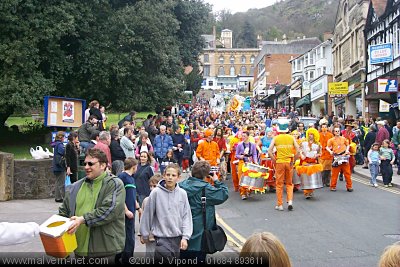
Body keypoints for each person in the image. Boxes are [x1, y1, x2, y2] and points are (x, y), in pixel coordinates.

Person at [58, 148, 126, 260]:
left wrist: (82, 219)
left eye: (91, 163)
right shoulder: (75, 187)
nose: (86, 167)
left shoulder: (114, 184)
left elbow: (109, 211)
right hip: (78, 249)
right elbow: (63, 213)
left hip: (104, 250)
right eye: (84, 163)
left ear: (103, 165)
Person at [139, 164, 193, 263]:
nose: (170, 178)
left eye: (173, 175)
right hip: (161, 239)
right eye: (168, 175)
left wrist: (185, 237)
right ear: (164, 175)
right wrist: (144, 234)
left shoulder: (182, 194)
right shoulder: (156, 193)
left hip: (177, 238)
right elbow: (148, 215)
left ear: (178, 177)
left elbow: (186, 216)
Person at [179, 160, 229, 262]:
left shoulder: (181, 186)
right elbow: (224, 194)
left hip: (182, 232)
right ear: (206, 175)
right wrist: (216, 180)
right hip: (200, 235)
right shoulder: (206, 189)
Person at [268, 121, 299, 211]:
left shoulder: (276, 138)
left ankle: (280, 204)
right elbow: (298, 150)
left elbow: (270, 151)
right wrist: (294, 160)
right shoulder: (291, 138)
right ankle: (290, 201)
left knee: (279, 184)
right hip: (289, 161)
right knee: (289, 183)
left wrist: (275, 160)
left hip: (280, 162)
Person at [115, 158, 141, 264]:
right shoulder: (122, 177)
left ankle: (129, 257)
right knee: (126, 237)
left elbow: (132, 194)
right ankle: (123, 258)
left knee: (131, 236)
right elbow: (119, 195)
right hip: (125, 214)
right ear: (134, 167)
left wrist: (137, 207)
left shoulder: (132, 178)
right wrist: (126, 210)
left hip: (132, 212)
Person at [140, 174, 162, 257]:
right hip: (150, 236)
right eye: (151, 186)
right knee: (150, 255)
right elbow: (143, 218)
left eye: (155, 186)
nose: (152, 188)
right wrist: (141, 234)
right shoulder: (146, 200)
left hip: (163, 235)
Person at [326, 127, 353, 192]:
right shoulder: (331, 140)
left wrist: (347, 150)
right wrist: (330, 151)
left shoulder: (343, 138)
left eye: (338, 131)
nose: (337, 132)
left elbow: (348, 145)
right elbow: (327, 147)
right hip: (337, 157)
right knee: (335, 173)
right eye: (336, 131)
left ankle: (349, 186)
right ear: (334, 132)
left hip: (344, 156)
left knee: (347, 173)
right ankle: (333, 186)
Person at [235, 131, 258, 200]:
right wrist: (240, 157)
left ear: (248, 136)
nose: (243, 137)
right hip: (242, 162)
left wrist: (255, 161)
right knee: (242, 177)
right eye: (242, 136)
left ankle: (249, 190)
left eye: (244, 136)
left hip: (250, 161)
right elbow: (236, 154)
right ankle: (243, 193)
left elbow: (254, 154)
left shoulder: (253, 145)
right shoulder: (239, 145)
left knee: (250, 176)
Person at [51, 131, 66, 203]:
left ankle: (58, 197)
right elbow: (63, 152)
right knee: (61, 183)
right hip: (60, 166)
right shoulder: (60, 145)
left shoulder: (55, 144)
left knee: (57, 182)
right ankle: (63, 197)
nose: (64, 138)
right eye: (64, 137)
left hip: (55, 166)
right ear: (61, 137)